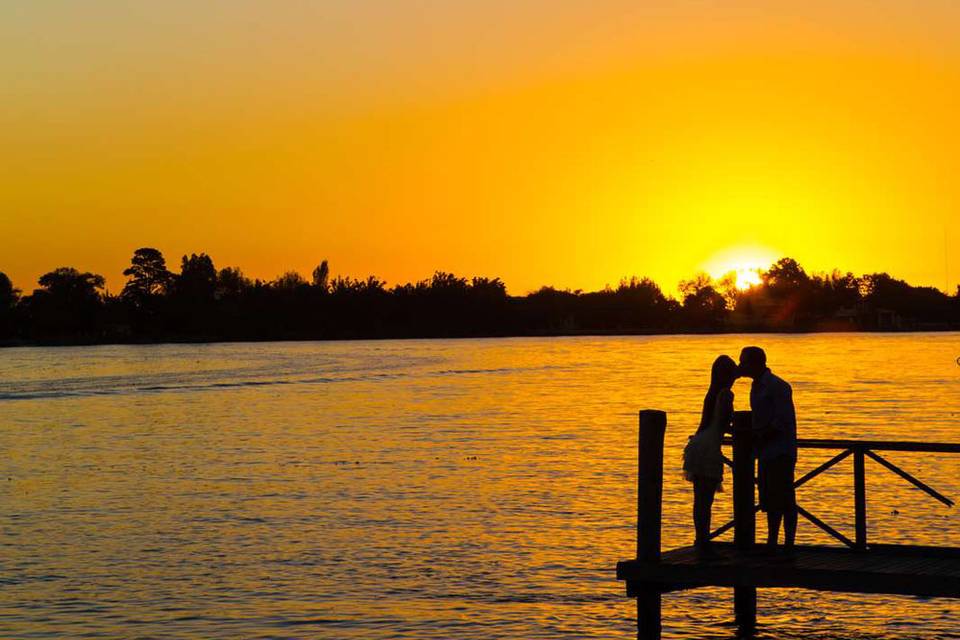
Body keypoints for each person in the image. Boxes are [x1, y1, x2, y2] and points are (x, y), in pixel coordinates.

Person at [738, 346, 798, 554]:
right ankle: (772, 542)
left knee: (785, 498)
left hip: (780, 450)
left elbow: (782, 421)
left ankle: (789, 544)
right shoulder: (756, 386)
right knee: (770, 499)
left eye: (744, 362)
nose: (741, 366)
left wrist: (759, 435)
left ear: (755, 363)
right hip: (765, 451)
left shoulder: (778, 386)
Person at [683, 355, 738, 557]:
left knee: (700, 500)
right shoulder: (725, 394)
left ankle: (701, 539)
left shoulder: (711, 393)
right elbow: (727, 423)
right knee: (706, 501)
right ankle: (704, 543)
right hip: (709, 448)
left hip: (698, 444)